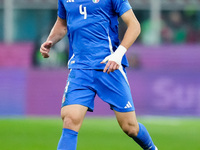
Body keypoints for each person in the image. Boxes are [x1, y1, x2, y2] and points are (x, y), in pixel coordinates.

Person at [40, 0, 158, 150]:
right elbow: (62, 23)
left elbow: (134, 25)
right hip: (80, 69)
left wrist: (118, 54)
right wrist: (50, 40)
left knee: (130, 127)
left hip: (109, 66)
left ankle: (152, 148)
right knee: (70, 120)